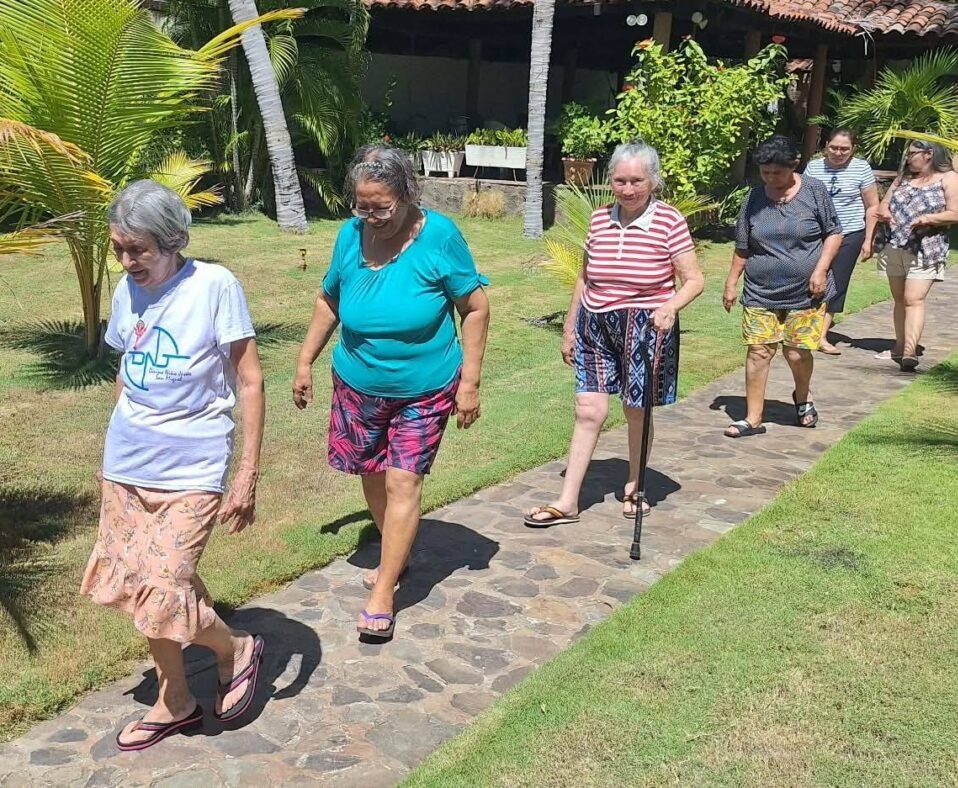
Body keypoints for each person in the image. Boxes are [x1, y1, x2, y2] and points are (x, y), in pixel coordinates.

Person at [81, 180, 267, 751]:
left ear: (173, 241)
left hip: (192, 465)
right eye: (118, 249)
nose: (126, 261)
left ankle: (235, 647)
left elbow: (250, 379)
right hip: (128, 461)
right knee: (141, 584)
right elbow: (128, 368)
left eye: (137, 250)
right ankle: (176, 699)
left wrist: (247, 473)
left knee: (163, 587)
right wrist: (112, 452)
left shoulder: (214, 286)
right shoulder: (126, 290)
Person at [293, 145, 489, 641]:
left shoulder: (439, 236)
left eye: (381, 207)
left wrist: (470, 381)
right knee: (372, 473)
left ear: (407, 195)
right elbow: (329, 299)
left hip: (424, 386)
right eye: (362, 206)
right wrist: (304, 361)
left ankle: (384, 590)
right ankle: (395, 552)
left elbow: (475, 307)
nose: (371, 217)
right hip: (357, 381)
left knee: (404, 480)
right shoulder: (349, 234)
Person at [523, 141, 704, 527]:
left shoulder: (669, 220)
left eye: (636, 181)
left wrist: (670, 307)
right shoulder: (599, 219)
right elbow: (584, 277)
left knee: (636, 409)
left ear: (653, 181)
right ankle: (568, 501)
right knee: (588, 408)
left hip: (645, 323)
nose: (628, 189)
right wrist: (570, 327)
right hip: (595, 322)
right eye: (620, 181)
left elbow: (694, 279)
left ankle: (636, 486)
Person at [722, 135, 843, 438]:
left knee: (796, 352)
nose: (771, 178)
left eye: (777, 172)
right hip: (760, 290)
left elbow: (834, 233)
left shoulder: (814, 191)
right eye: (765, 172)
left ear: (794, 165)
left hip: (806, 291)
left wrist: (821, 270)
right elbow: (742, 246)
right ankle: (753, 418)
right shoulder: (753, 198)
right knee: (758, 352)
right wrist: (731, 283)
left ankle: (802, 397)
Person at [875, 140, 958, 371]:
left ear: (929, 154)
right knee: (899, 299)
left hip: (927, 247)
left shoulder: (950, 179)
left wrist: (928, 219)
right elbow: (883, 204)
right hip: (895, 244)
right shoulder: (904, 178)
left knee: (913, 298)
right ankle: (899, 346)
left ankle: (910, 351)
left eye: (912, 154)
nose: (908, 158)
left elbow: (955, 214)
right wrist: (885, 213)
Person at [803, 128, 879, 354]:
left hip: (850, 233)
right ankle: (803, 326)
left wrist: (868, 239)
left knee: (836, 282)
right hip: (817, 234)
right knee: (810, 279)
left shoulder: (861, 168)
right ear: (826, 145)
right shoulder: (814, 167)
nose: (838, 153)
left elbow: (872, 206)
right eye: (834, 147)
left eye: (844, 149)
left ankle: (821, 336)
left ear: (853, 149)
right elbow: (803, 199)